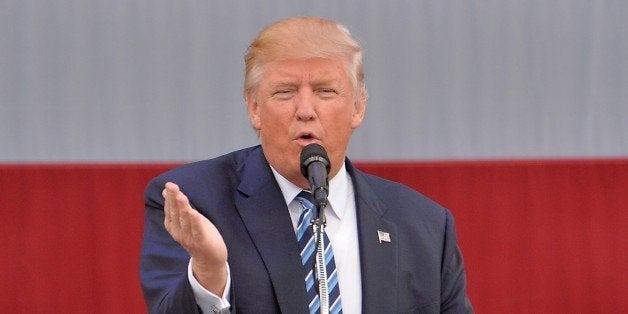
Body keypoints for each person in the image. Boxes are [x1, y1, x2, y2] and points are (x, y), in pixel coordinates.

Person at [140, 16, 473, 313]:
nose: (305, 110)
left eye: (325, 91)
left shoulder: (424, 224)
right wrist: (210, 273)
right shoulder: (196, 203)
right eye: (285, 92)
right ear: (254, 108)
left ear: (358, 107)